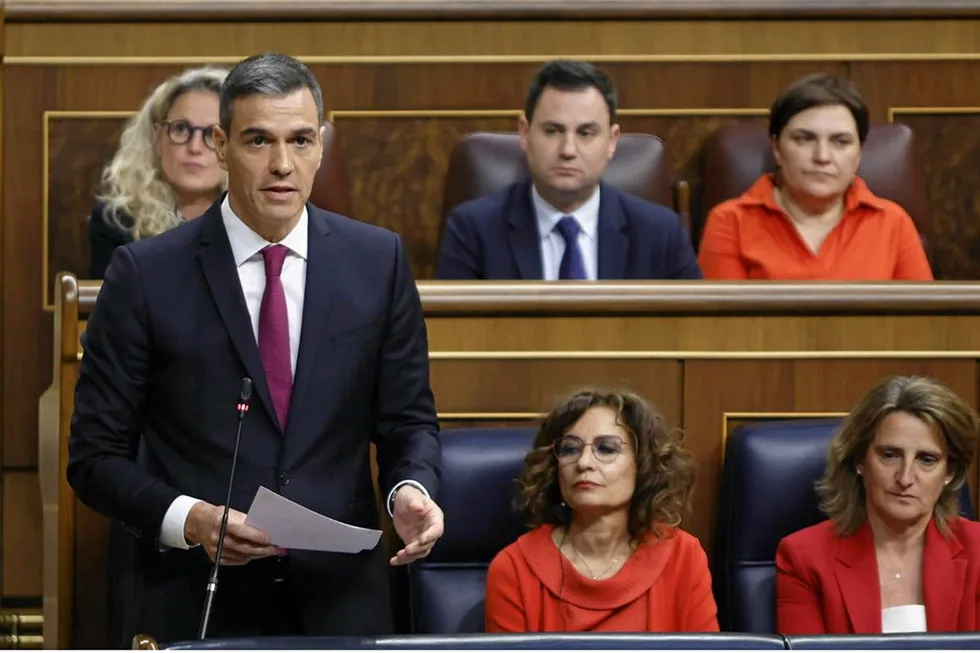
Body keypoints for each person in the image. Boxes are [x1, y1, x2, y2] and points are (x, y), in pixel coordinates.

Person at [68, 52, 444, 646]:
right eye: (257, 140)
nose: (281, 164)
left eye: (299, 140)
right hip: (195, 599)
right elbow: (94, 457)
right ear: (220, 145)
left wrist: (410, 490)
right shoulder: (145, 274)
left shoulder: (377, 262)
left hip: (339, 605)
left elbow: (407, 420)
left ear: (321, 144)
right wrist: (188, 519)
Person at [436, 60, 701, 281]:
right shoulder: (473, 230)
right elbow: (455, 339)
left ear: (611, 141)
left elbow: (693, 336)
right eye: (553, 131)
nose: (568, 149)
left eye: (586, 133)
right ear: (525, 133)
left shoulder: (660, 233)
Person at [485, 389, 718, 632]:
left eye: (606, 448)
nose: (584, 462)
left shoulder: (683, 557)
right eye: (570, 449)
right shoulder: (514, 568)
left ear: (643, 463)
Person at [776, 376, 980, 634]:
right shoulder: (804, 558)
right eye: (890, 455)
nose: (905, 478)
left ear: (949, 472)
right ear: (860, 460)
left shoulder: (977, 553)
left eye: (926, 460)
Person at [698, 73, 933, 281]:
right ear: (777, 149)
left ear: (859, 154)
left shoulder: (893, 222)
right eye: (804, 139)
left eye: (840, 142)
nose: (822, 156)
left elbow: (920, 324)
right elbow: (723, 327)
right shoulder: (730, 222)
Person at [89, 66, 229, 279]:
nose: (195, 147)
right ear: (157, 138)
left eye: (212, 134)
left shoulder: (261, 219)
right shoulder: (118, 220)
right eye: (181, 129)